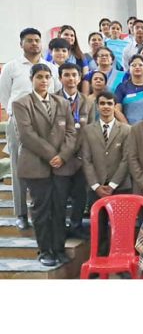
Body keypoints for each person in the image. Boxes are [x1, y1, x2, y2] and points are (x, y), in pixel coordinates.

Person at [13, 64, 76, 266]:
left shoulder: (62, 103)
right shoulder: (21, 103)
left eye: (47, 77)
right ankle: (45, 250)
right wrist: (52, 155)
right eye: (39, 77)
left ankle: (59, 248)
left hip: (61, 166)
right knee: (41, 210)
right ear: (31, 78)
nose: (44, 81)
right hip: (36, 166)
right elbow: (27, 135)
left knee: (59, 209)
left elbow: (71, 133)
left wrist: (63, 156)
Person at [0, 28, 61, 230]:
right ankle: (21, 213)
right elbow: (5, 94)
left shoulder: (51, 67)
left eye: (37, 40)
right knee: (19, 168)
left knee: (47, 167)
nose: (34, 44)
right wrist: (13, 115)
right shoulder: (11, 67)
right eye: (29, 40)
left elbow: (56, 92)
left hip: (47, 123)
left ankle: (44, 211)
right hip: (19, 122)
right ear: (21, 44)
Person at [81, 91, 132, 256]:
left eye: (109, 103)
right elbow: (86, 160)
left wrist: (112, 185)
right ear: (97, 106)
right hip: (95, 189)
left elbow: (126, 160)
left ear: (115, 106)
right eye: (102, 103)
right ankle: (100, 261)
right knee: (99, 229)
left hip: (120, 187)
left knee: (121, 229)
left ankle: (122, 263)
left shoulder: (126, 130)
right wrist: (96, 186)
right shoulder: (88, 130)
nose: (106, 107)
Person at [55, 62, 95, 238]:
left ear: (79, 78)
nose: (71, 79)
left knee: (80, 196)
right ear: (60, 78)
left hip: (80, 158)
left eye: (74, 75)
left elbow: (90, 130)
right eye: (67, 75)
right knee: (60, 197)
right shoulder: (52, 101)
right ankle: (61, 228)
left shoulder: (88, 101)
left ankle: (77, 226)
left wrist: (81, 156)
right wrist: (62, 154)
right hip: (59, 158)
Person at [114, 55, 143, 124]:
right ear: (129, 69)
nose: (137, 67)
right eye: (134, 65)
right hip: (126, 128)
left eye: (140, 65)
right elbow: (116, 110)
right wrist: (127, 127)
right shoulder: (122, 87)